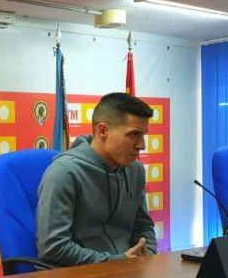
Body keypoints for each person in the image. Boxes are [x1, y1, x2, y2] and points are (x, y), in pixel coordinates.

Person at [36, 92, 157, 266]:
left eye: (143, 135)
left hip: (126, 273)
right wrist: (117, 261)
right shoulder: (64, 172)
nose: (142, 145)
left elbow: (143, 226)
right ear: (103, 131)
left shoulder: (135, 170)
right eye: (133, 135)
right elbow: (53, 247)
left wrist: (148, 253)